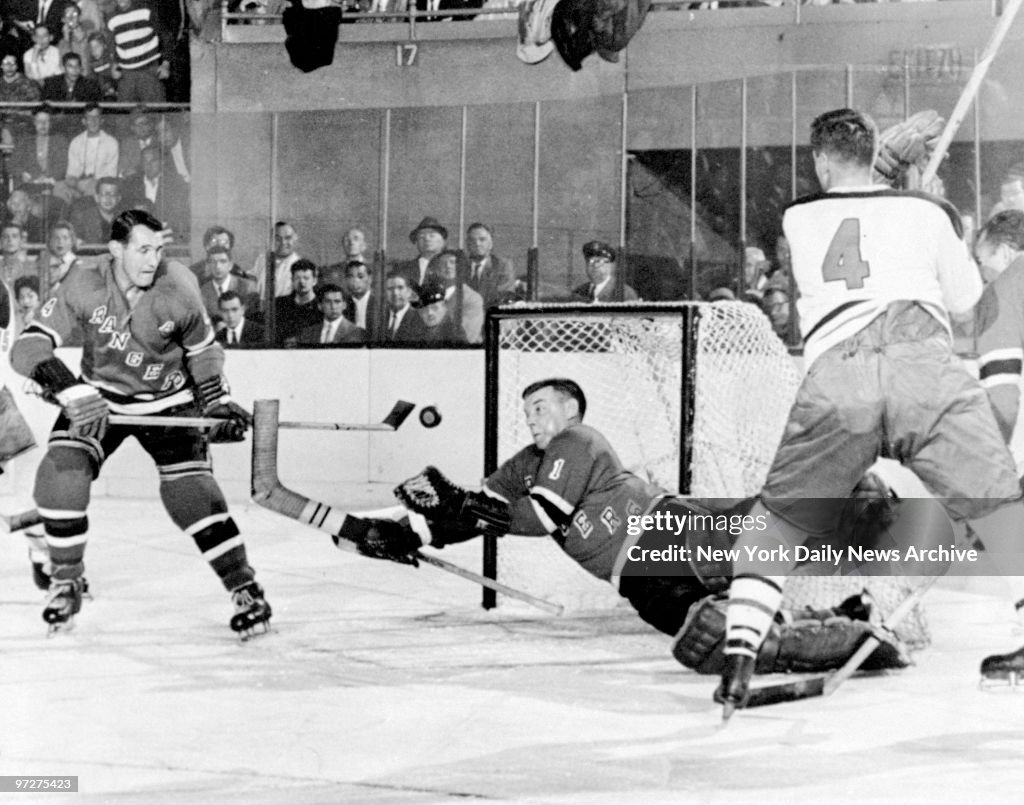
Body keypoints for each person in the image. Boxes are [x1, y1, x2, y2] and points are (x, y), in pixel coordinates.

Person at [716, 108, 1022, 718]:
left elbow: (853, 208)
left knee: (776, 520)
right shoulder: (927, 213)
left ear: (820, 159)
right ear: (872, 151)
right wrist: (932, 210)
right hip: (919, 366)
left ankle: (739, 658)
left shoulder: (797, 216)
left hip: (839, 376)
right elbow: (969, 306)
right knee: (1003, 509)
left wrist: (897, 177)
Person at [344, 378, 911, 681]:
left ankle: (881, 507)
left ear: (571, 411)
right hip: (642, 582)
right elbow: (477, 513)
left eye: (541, 406)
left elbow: (538, 519)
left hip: (675, 534)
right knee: (710, 642)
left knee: (821, 509)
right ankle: (854, 629)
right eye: (527, 410)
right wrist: (401, 531)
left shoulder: (579, 441)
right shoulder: (524, 461)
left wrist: (460, 508)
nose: (532, 417)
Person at [9, 208, 271, 636]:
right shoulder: (83, 279)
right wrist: (71, 390)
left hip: (170, 402)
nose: (153, 260)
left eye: (159, 249)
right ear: (115, 250)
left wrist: (217, 404)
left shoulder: (178, 284)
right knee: (58, 481)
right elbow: (27, 348)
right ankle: (66, 580)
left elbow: (204, 353)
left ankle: (245, 587)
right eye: (143, 250)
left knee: (195, 500)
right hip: (102, 402)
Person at [973, 209, 1024, 682]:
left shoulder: (1004, 291)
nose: (982, 275)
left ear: (1006, 254)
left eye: (983, 263)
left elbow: (1002, 400)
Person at [106, 0, 171, 103]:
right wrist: (113, 65)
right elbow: (111, 46)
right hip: (126, 75)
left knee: (154, 113)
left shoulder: (147, 9)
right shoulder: (111, 18)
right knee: (125, 114)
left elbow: (166, 36)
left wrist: (166, 64)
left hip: (149, 71)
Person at [424, 249, 484, 344]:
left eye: (453, 263)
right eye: (443, 263)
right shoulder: (428, 295)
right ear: (437, 269)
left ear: (462, 268)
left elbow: (469, 336)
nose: (448, 266)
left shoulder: (472, 298)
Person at [65, 103, 120, 200]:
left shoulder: (111, 143)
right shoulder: (76, 142)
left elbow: (110, 176)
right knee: (60, 189)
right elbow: (71, 174)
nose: (93, 121)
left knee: (91, 190)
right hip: (78, 185)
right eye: (89, 118)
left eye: (96, 118)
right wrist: (77, 184)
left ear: (102, 120)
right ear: (84, 121)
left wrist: (90, 184)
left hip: (101, 186)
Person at [198, 244, 257, 325]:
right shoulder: (202, 292)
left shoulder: (247, 287)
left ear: (230, 265)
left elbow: (253, 320)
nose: (218, 266)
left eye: (223, 261)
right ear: (208, 265)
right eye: (213, 262)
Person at [295, 282, 366, 345]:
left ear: (344, 305)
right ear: (320, 306)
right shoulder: (307, 333)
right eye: (328, 302)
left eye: (337, 301)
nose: (333, 306)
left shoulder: (357, 332)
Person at [465, 222, 516, 307]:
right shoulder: (459, 266)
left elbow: (504, 296)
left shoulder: (502, 266)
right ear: (467, 243)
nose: (477, 244)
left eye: (482, 240)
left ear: (491, 243)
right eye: (472, 240)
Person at [392, 217, 447, 294]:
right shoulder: (403, 269)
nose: (427, 239)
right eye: (422, 236)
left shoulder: (451, 267)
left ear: (442, 241)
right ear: (416, 242)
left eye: (432, 235)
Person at [272, 257, 320, 345]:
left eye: (306, 278)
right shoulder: (280, 304)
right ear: (292, 280)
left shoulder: (321, 306)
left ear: (314, 281)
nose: (302, 282)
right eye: (298, 278)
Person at [571, 240, 638, 302]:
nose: (595, 265)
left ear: (610, 265)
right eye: (591, 261)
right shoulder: (579, 292)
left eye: (599, 261)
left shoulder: (624, 293)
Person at [253, 220, 302, 300]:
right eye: (278, 239)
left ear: (295, 238)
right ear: (271, 240)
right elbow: (253, 280)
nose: (283, 242)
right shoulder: (262, 259)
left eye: (288, 238)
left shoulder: (299, 265)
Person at [69, 176, 122, 244]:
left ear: (119, 198)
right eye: (104, 194)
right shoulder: (82, 218)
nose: (108, 199)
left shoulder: (125, 219)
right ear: (96, 197)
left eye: (112, 195)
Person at [381, 270, 426, 344]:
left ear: (409, 291)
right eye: (390, 288)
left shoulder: (419, 319)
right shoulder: (379, 318)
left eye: (400, 288)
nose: (395, 293)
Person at [415, 280, 466, 345]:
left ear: (445, 308)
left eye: (435, 308)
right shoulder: (414, 332)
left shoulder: (456, 334)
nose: (430, 313)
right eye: (424, 309)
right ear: (419, 312)